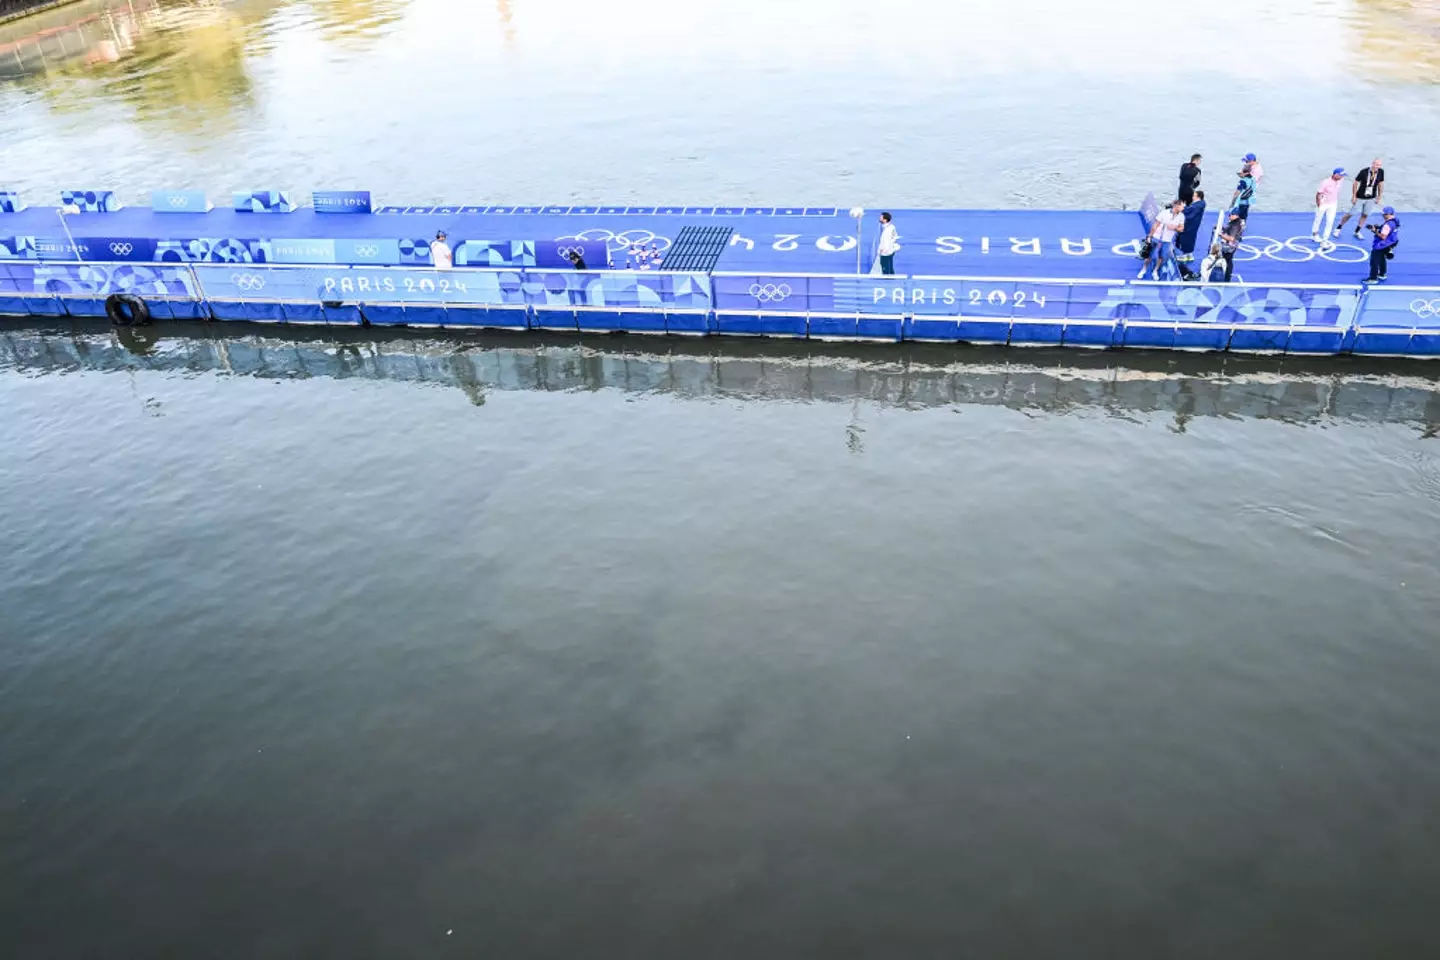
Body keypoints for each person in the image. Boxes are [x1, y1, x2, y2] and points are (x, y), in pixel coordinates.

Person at [1334, 157, 1385, 240]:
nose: (1378, 167)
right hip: (1360, 197)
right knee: (1351, 214)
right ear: (1372, 164)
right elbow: (1355, 183)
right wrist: (1354, 195)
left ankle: (1357, 231)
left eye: (1379, 165)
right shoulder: (1364, 172)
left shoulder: (1381, 172)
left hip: (1371, 198)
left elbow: (1381, 184)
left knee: (1365, 215)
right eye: (1376, 165)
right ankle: (1338, 228)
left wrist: (1379, 196)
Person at [1140, 198, 1186, 280]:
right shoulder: (1164, 213)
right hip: (1156, 238)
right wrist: (1150, 236)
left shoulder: (1181, 216)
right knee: (1149, 255)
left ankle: (1155, 271)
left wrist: (1174, 227)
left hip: (1167, 240)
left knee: (1162, 257)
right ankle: (1144, 269)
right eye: (1182, 206)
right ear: (1177, 206)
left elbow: (1181, 229)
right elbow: (1155, 225)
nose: (1184, 208)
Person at [1364, 206, 1400, 283]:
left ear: (1387, 214)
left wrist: (1374, 231)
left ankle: (1373, 278)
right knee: (1382, 259)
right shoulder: (1394, 221)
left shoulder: (1387, 225)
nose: (1383, 216)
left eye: (1384, 214)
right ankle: (1382, 274)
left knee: (1375, 261)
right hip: (1391, 243)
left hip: (1382, 245)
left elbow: (1383, 236)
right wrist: (1380, 227)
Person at [1311, 168, 1346, 247]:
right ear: (1336, 175)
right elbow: (1318, 194)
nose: (1342, 177)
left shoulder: (1341, 180)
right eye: (1341, 175)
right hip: (1323, 204)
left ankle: (1324, 240)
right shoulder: (1325, 182)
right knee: (1318, 219)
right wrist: (1319, 204)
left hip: (1333, 204)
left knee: (1330, 222)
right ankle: (1314, 234)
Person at [1176, 189, 1207, 276]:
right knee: (1190, 239)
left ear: (1198, 197)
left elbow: (1190, 214)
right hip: (1193, 226)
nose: (1192, 197)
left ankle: (1185, 255)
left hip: (1190, 226)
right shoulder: (1200, 204)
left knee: (1186, 239)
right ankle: (1189, 254)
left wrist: (1183, 208)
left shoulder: (1197, 206)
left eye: (1194, 195)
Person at [1218, 212, 1245, 282]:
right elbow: (1228, 229)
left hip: (1230, 247)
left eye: (1231, 215)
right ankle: (1227, 276)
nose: (1229, 216)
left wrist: (1221, 235)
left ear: (1236, 215)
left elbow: (1231, 238)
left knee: (1228, 261)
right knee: (1228, 260)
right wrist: (1222, 228)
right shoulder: (1236, 222)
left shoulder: (1235, 226)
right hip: (1232, 245)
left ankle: (1227, 278)